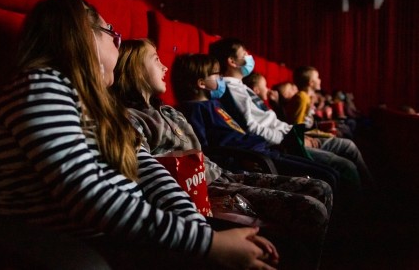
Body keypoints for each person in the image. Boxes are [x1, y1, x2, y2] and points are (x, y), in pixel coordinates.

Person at [0, 0, 281, 270]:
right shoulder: (42, 87)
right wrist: (207, 244)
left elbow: (149, 170)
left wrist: (199, 229)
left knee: (260, 249)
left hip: (125, 232)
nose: (118, 42)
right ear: (85, 35)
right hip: (76, 246)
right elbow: (88, 196)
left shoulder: (103, 105)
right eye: (111, 33)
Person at [110, 40, 333, 269]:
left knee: (321, 188)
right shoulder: (129, 119)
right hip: (205, 190)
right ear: (135, 68)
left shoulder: (170, 111)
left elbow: (201, 151)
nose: (165, 67)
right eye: (156, 60)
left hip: (222, 173)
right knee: (312, 210)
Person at [208, 37, 371, 194]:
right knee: (344, 165)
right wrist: (291, 139)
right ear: (232, 61)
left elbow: (270, 119)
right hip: (281, 144)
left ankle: (370, 191)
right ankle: (363, 207)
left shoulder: (242, 87)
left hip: (289, 135)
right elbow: (251, 127)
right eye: (244, 54)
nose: (249, 58)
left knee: (347, 146)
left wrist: (295, 132)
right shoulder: (230, 89)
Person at [286, 66, 373, 185]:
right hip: (301, 144)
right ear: (311, 83)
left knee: (348, 142)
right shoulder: (302, 97)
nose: (320, 80)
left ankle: (367, 183)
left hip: (305, 138)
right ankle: (369, 186)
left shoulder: (306, 97)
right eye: (317, 77)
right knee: (347, 148)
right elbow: (295, 127)